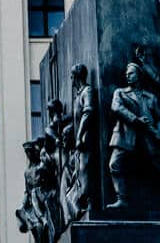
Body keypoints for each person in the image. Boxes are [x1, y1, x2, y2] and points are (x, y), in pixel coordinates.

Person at [107, 63, 160, 208]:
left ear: (139, 76)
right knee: (114, 164)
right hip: (126, 135)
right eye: (126, 73)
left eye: (130, 73)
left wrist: (159, 131)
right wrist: (136, 120)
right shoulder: (120, 92)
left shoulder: (151, 97)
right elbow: (116, 108)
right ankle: (122, 199)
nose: (127, 75)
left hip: (148, 136)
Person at [66, 64, 96, 217]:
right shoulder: (78, 95)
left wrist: (79, 135)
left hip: (86, 139)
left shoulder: (87, 91)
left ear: (77, 76)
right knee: (79, 172)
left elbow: (88, 112)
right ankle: (83, 203)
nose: (70, 79)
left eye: (72, 76)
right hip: (80, 141)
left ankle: (90, 202)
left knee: (85, 170)